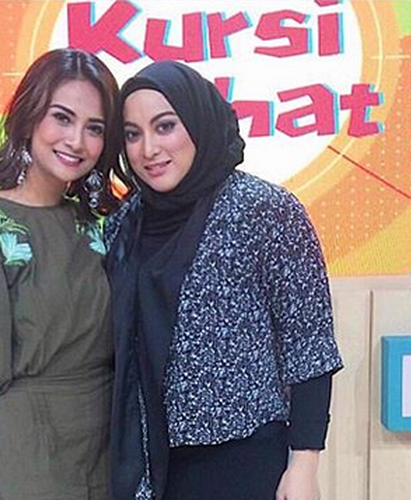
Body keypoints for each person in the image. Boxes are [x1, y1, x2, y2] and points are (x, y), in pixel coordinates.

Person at [105, 60, 344, 500]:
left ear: (198, 121)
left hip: (244, 459)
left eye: (165, 126)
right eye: (133, 134)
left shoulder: (264, 209)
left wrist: (303, 465)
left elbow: (309, 345)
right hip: (147, 465)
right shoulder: (123, 225)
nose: (148, 149)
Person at [0, 48, 120, 500]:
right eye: (62, 118)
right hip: (28, 449)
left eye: (94, 128)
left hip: (107, 446)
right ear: (30, 115)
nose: (76, 140)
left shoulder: (101, 225)